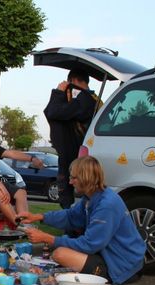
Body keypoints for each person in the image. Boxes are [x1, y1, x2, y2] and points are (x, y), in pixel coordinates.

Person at [17, 156, 145, 285]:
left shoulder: (107, 205)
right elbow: (70, 216)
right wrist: (38, 216)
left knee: (60, 254)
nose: (70, 182)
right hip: (111, 256)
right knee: (60, 251)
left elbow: (89, 245)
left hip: (122, 265)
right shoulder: (92, 197)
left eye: (74, 178)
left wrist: (47, 238)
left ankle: (94, 274)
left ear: (86, 178)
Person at [44, 69, 101, 208]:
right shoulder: (95, 100)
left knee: (67, 192)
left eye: (69, 82)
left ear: (74, 81)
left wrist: (58, 92)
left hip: (73, 153)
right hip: (79, 151)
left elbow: (52, 112)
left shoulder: (85, 100)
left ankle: (71, 225)